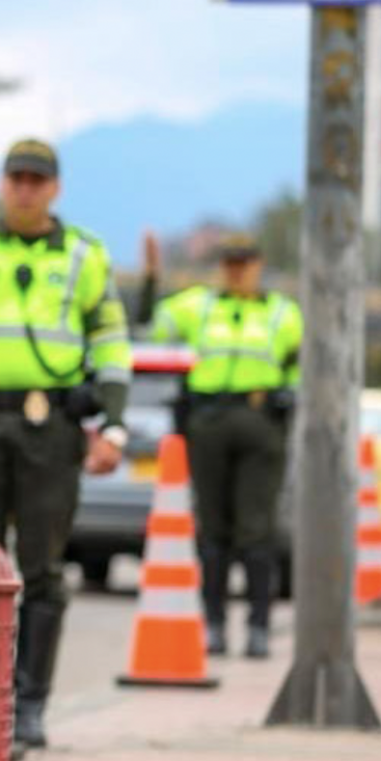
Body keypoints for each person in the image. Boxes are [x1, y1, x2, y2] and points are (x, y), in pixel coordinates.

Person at [0, 139, 131, 753]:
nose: (25, 189)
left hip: (51, 426)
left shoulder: (85, 253)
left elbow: (111, 341)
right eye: (16, 179)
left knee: (41, 568)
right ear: (4, 183)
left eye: (37, 180)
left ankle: (28, 705)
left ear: (54, 188)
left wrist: (113, 425)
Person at [150, 234, 301, 659]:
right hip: (209, 420)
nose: (236, 270)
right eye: (230, 262)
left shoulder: (283, 313)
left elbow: (303, 363)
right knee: (213, 529)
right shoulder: (199, 305)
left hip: (260, 422)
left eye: (244, 262)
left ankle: (258, 627)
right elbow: (153, 324)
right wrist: (150, 279)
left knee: (257, 530)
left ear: (258, 264)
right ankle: (213, 626)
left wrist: (289, 396)